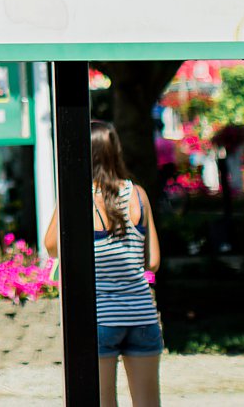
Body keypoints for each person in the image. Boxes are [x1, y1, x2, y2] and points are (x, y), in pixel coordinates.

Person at [45, 120, 161, 407]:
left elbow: (51, 247)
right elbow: (154, 262)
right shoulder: (138, 195)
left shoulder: (78, 198)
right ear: (114, 151)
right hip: (142, 315)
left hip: (99, 317)